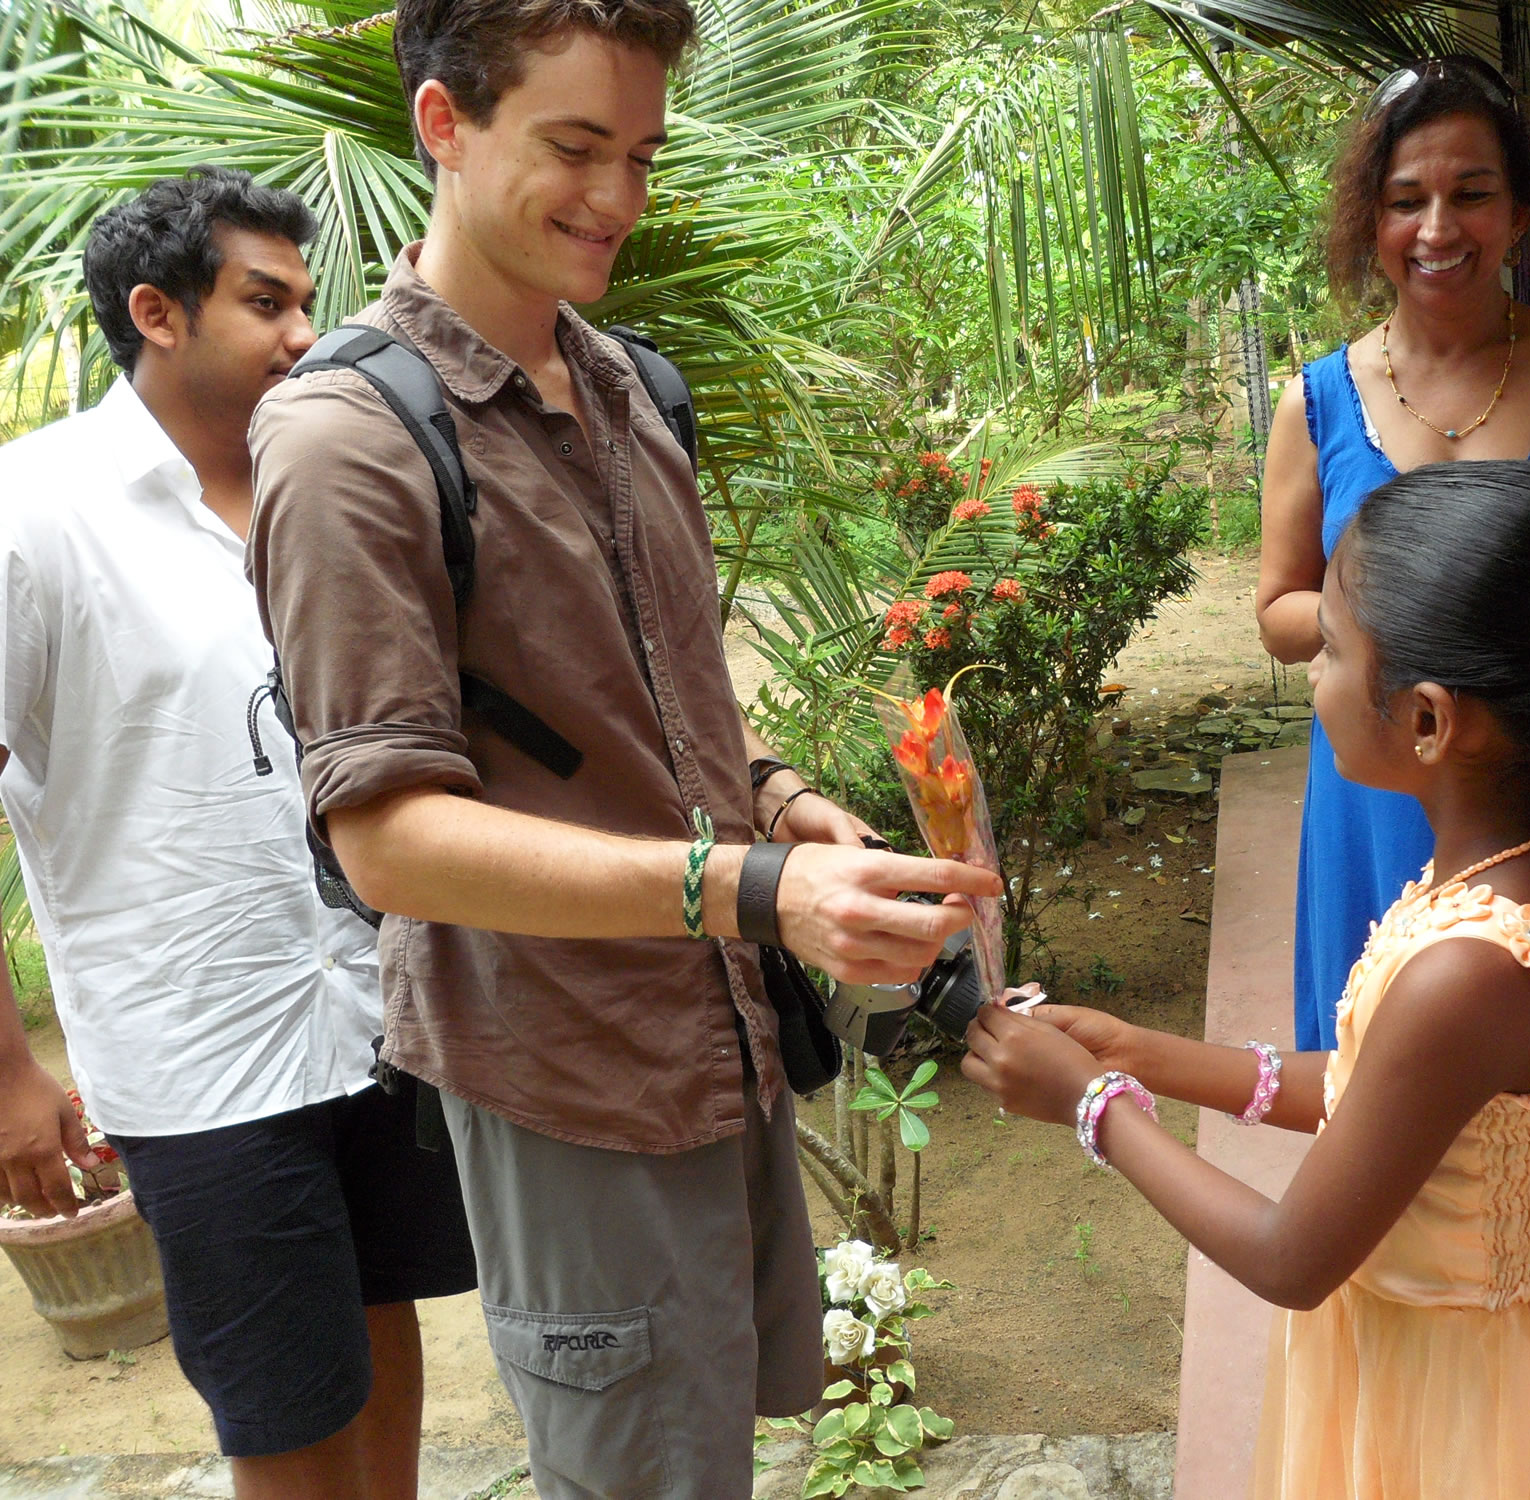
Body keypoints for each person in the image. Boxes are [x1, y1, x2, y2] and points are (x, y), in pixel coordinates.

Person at [244, 2, 1001, 1494]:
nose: (617, 198)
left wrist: (784, 802)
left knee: (703, 1455)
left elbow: (660, 692)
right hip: (566, 1069)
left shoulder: (629, 388)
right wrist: (753, 889)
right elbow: (388, 839)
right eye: (576, 147)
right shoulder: (348, 439)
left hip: (717, 1039)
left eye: (642, 155)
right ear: (445, 124)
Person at [966, 461, 1530, 1498]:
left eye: (1329, 648)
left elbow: (1291, 1258)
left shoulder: (1470, 968)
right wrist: (1145, 1056)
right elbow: (1388, 1095)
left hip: (1471, 1422)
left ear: (1426, 720)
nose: (1311, 676)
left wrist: (1093, 1105)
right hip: (1492, 1373)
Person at [0, 170, 476, 1499]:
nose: (304, 333)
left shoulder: (316, 483)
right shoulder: (30, 510)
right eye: (267, 303)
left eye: (306, 301)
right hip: (200, 1057)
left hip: (376, 1009)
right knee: (283, 1407)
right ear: (157, 313)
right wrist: (0, 1073)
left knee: (382, 1327)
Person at [1256, 56, 1530, 1051]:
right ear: (1369, 222)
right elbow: (1277, 612)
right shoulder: (1314, 403)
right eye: (1404, 200)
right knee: (1373, 1076)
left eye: (1470, 194)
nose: (1436, 229)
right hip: (1379, 791)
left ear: (1519, 213)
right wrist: (1396, 617)